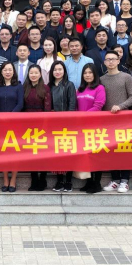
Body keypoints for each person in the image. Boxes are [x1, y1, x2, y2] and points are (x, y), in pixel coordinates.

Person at [100, 50, 132, 193]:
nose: (110, 62)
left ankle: (124, 181)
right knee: (111, 150)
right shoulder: (101, 79)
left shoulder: (126, 77)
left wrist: (120, 106)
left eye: (113, 59)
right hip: (107, 121)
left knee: (124, 150)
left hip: (124, 119)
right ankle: (115, 180)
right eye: (107, 59)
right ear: (104, 62)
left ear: (118, 60)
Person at [77, 64, 107, 193]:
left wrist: (84, 116)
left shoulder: (100, 88)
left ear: (95, 74)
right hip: (81, 127)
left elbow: (98, 105)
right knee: (86, 155)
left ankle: (96, 183)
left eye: (90, 72)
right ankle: (89, 182)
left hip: (94, 126)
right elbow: (76, 106)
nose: (87, 75)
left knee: (95, 155)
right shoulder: (80, 89)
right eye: (85, 73)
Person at [48, 61, 77, 192]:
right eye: (55, 70)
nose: (57, 72)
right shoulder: (49, 86)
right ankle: (59, 180)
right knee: (56, 153)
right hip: (53, 124)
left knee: (68, 152)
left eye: (60, 69)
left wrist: (68, 120)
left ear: (64, 71)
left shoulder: (69, 85)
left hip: (67, 124)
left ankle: (68, 181)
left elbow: (72, 104)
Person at [22, 64, 52, 191]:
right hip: (27, 124)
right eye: (31, 73)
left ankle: (43, 179)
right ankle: (34, 180)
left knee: (42, 152)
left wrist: (45, 125)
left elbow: (47, 107)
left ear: (40, 74)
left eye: (36, 73)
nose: (33, 75)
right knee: (31, 153)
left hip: (42, 124)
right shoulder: (24, 87)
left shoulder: (45, 88)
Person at [0, 62, 24, 192]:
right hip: (0, 123)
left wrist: (11, 116)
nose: (7, 72)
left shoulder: (18, 86)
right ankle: (5, 179)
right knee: (3, 152)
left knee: (14, 152)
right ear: (1, 72)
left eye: (10, 70)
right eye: (5, 70)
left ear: (14, 71)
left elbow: (20, 104)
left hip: (15, 123)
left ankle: (13, 179)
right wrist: (1, 117)